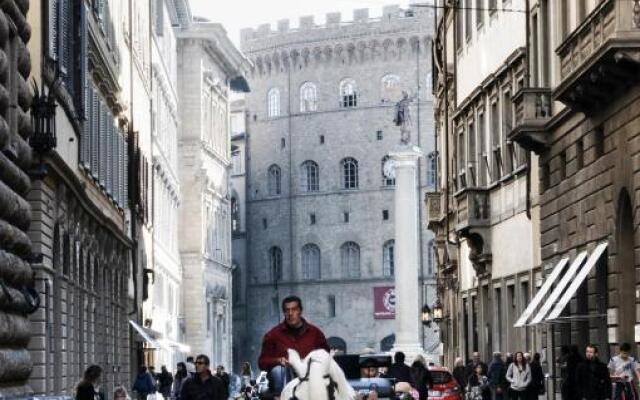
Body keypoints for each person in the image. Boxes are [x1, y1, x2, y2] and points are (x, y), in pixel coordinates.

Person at [258, 295, 330, 397]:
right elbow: (262, 362)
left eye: (294, 309)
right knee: (278, 371)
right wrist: (278, 361)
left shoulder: (315, 333)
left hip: (311, 380)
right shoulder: (272, 335)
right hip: (285, 382)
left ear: (300, 311)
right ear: (284, 313)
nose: (290, 314)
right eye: (287, 310)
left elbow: (326, 356)